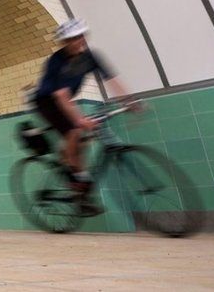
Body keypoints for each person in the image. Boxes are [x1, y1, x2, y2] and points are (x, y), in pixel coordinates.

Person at [33, 18, 139, 213]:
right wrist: (80, 120)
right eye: (72, 39)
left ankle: (69, 161)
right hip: (46, 102)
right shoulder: (56, 61)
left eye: (80, 36)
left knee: (84, 138)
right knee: (74, 130)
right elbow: (61, 95)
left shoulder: (92, 57)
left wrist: (129, 100)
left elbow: (112, 79)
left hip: (64, 100)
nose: (77, 41)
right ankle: (79, 181)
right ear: (64, 42)